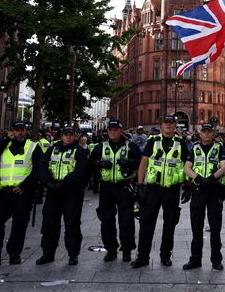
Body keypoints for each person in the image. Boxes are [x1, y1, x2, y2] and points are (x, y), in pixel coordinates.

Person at [0, 121, 43, 266]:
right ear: (12, 131)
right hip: (4, 192)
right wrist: (5, 139)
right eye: (17, 130)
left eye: (22, 130)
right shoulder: (4, 145)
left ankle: (14, 254)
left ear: (27, 131)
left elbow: (38, 170)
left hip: (22, 193)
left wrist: (25, 186)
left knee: (19, 224)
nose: (20, 133)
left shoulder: (33, 147)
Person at [132, 115, 187, 268]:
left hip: (172, 190)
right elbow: (143, 164)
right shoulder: (153, 141)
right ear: (161, 125)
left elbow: (187, 165)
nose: (168, 126)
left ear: (175, 126)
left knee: (170, 224)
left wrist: (188, 186)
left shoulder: (181, 143)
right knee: (146, 223)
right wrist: (140, 185)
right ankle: (143, 257)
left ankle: (165, 256)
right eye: (166, 123)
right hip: (153, 189)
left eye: (171, 123)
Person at [89, 119, 141, 262]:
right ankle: (111, 249)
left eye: (116, 129)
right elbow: (90, 165)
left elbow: (140, 163)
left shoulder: (131, 146)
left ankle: (126, 250)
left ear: (121, 130)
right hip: (106, 187)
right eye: (110, 129)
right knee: (106, 220)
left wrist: (129, 163)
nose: (113, 132)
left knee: (126, 220)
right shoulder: (100, 147)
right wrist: (100, 164)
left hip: (125, 187)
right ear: (107, 131)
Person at [36, 126, 89, 265]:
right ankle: (48, 253)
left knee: (71, 224)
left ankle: (72, 254)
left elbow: (80, 172)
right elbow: (41, 166)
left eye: (71, 135)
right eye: (66, 134)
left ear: (75, 136)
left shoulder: (80, 151)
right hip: (53, 191)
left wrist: (63, 184)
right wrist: (47, 182)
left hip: (71, 192)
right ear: (61, 136)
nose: (68, 137)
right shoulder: (52, 149)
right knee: (49, 223)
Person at [182, 123, 225, 270]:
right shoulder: (194, 148)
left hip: (214, 190)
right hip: (198, 190)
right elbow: (186, 168)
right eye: (204, 132)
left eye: (209, 132)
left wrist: (212, 178)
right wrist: (199, 178)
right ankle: (195, 259)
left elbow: (224, 167)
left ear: (213, 134)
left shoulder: (219, 148)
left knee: (215, 227)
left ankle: (216, 260)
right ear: (200, 133)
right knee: (196, 227)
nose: (206, 134)